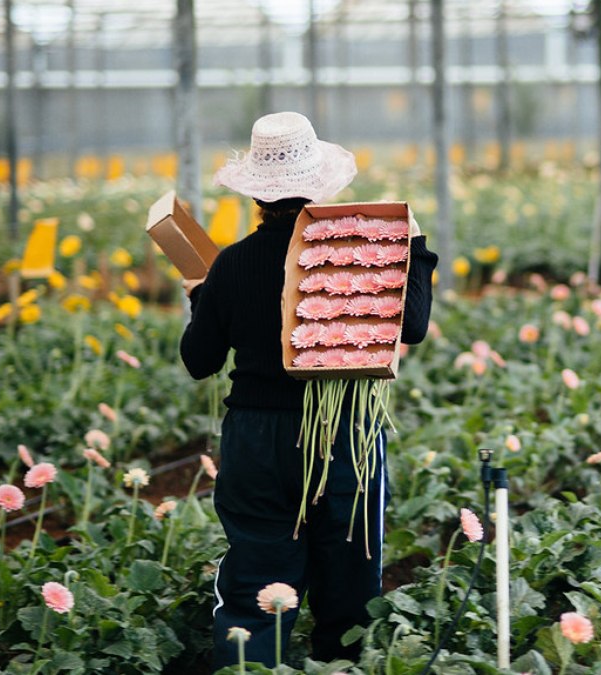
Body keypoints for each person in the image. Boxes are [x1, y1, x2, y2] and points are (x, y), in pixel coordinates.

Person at [179, 111, 438, 670]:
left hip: (256, 438)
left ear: (257, 195)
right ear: (321, 185)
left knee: (255, 582)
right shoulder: (348, 255)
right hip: (344, 430)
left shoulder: (230, 265)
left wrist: (202, 298)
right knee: (349, 584)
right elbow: (412, 326)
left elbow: (198, 361)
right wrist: (417, 248)